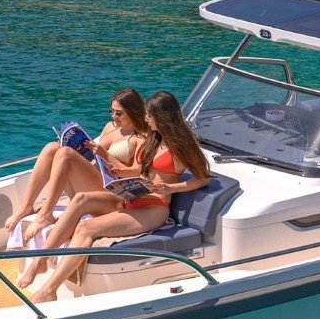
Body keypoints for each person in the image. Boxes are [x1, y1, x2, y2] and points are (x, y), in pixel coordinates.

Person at [25, 90, 211, 303]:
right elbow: (138, 170)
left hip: (153, 207)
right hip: (130, 195)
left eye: (150, 115)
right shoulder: (153, 139)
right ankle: (40, 260)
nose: (146, 118)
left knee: (87, 228)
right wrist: (117, 169)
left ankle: (50, 289)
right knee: (80, 200)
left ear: (162, 117)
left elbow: (203, 178)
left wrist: (171, 188)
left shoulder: (183, 146)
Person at [5, 89, 149, 250]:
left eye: (119, 113)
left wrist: (106, 156)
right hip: (94, 181)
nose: (114, 117)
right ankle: (26, 206)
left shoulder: (141, 137)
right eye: (111, 111)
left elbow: (139, 173)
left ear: (133, 111)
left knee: (65, 154)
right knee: (52, 148)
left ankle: (45, 215)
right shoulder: (110, 127)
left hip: (113, 195)